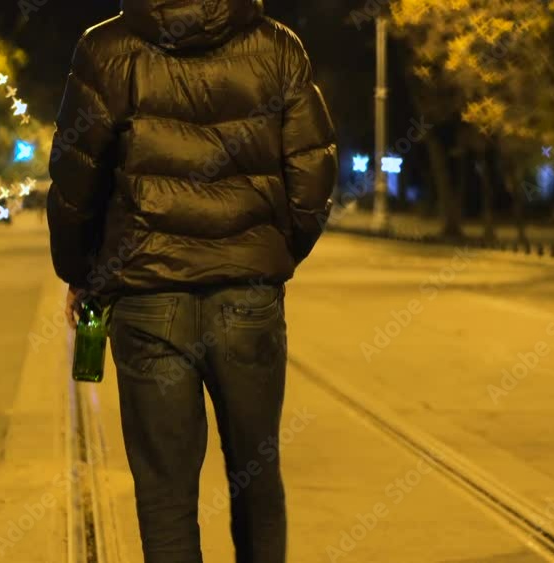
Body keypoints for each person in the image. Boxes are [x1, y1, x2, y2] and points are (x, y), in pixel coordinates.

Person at [45, 1, 337, 561]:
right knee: (256, 474)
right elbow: (313, 176)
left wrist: (81, 275)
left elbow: (75, 180)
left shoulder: (105, 49)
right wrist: (268, 256)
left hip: (148, 297)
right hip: (248, 301)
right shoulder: (279, 48)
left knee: (164, 494)